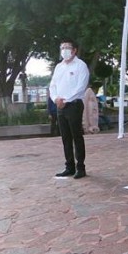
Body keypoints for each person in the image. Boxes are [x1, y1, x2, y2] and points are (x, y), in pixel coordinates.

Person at [48, 39, 89, 178]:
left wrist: (66, 100)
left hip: (74, 105)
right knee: (65, 137)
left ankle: (80, 167)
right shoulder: (59, 67)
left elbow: (80, 87)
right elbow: (52, 85)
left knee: (76, 136)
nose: (64, 50)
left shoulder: (80, 66)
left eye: (67, 47)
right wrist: (56, 99)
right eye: (62, 47)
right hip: (60, 106)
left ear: (74, 50)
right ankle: (69, 166)